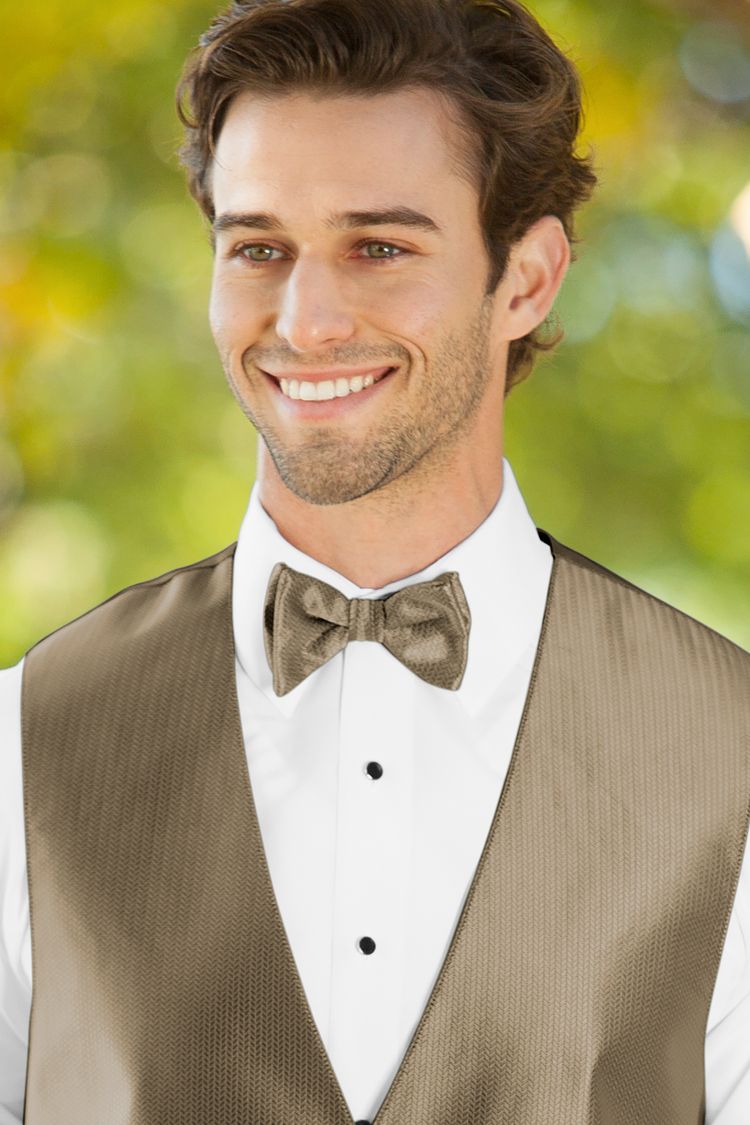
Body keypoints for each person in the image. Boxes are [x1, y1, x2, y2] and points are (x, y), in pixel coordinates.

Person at [1, 0, 749, 1121]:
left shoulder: (731, 753)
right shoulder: (26, 740)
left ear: (528, 279)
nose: (305, 322)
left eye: (380, 247)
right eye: (259, 249)